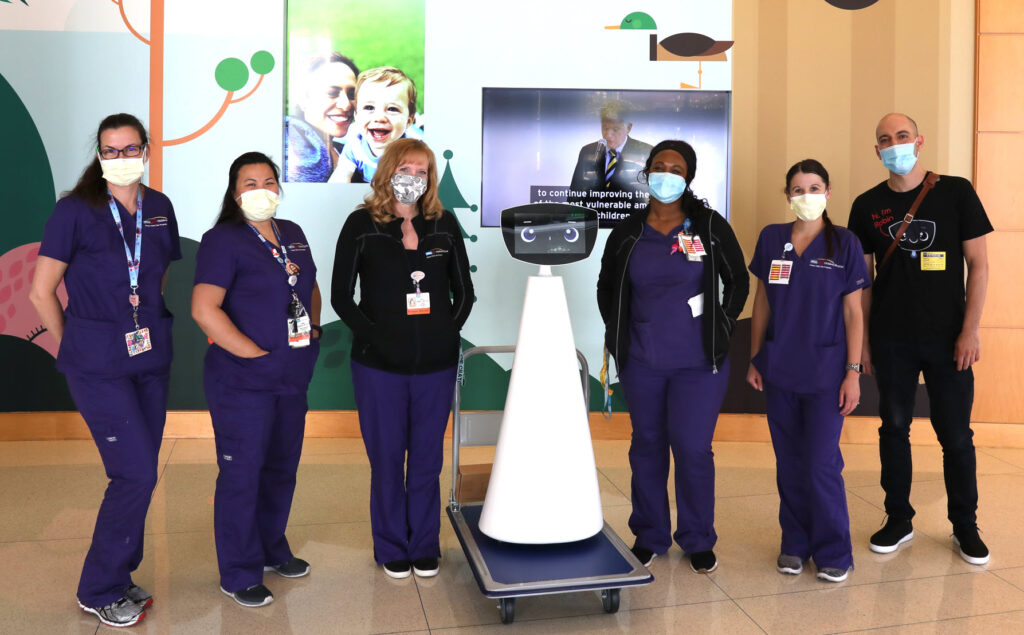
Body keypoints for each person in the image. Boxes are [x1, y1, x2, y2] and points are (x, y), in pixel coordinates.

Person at [29, 113, 181, 628]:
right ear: (99, 154)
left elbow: (154, 280)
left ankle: (121, 573)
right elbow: (41, 291)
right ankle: (99, 587)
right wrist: (76, 347)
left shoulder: (159, 209)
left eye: (130, 148)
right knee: (133, 472)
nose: (121, 158)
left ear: (146, 150)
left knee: (141, 473)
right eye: (110, 150)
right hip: (97, 363)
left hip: (149, 357)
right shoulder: (74, 210)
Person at [596, 139, 748, 573]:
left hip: (699, 363)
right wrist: (617, 330)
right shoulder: (627, 231)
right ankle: (649, 535)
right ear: (647, 173)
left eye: (676, 168)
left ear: (689, 177)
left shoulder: (710, 226)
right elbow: (607, 287)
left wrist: (723, 321)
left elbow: (738, 281)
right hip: (642, 359)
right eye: (658, 166)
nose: (666, 174)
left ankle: (698, 538)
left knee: (693, 449)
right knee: (646, 447)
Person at [848, 112, 993, 565]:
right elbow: (863, 281)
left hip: (950, 339)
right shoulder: (866, 204)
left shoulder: (955, 192)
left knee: (955, 435)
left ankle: (965, 525)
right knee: (893, 429)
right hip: (891, 340)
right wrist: (866, 343)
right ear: (877, 150)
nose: (895, 144)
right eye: (885, 139)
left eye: (902, 136)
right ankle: (898, 518)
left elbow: (980, 265)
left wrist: (970, 330)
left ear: (919, 141)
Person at [331, 138, 473, 579]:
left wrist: (443, 334)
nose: (414, 177)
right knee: (388, 459)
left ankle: (424, 545)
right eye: (406, 168)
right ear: (389, 170)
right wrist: (377, 337)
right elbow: (341, 297)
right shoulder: (361, 224)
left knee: (427, 460)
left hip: (435, 365)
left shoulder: (444, 224)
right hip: (378, 366)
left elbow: (464, 293)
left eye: (423, 171)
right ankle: (392, 545)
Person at [191, 152, 322, 607]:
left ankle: (271, 549)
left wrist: (313, 333)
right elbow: (203, 309)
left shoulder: (294, 235)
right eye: (250, 183)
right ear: (235, 192)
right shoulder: (221, 239)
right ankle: (239, 570)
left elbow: (309, 288)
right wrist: (254, 354)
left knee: (282, 466)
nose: (261, 190)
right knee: (242, 474)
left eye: (269, 180)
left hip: (292, 373)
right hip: (243, 379)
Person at [746, 159, 869, 583]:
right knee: (789, 462)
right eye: (798, 190)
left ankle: (834, 549)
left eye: (814, 188)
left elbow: (854, 313)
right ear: (788, 197)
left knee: (820, 463)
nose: (806, 196)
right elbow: (762, 300)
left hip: (826, 373)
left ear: (829, 193)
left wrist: (852, 372)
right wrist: (756, 356)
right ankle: (794, 544)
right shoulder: (772, 238)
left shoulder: (845, 244)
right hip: (779, 368)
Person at [329, 66, 419, 184]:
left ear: (408, 121)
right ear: (356, 115)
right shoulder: (355, 146)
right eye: (369, 107)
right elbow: (341, 176)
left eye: (392, 109)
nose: (379, 117)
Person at [568, 102, 652, 219]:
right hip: (594, 222)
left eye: (615, 129)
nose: (608, 135)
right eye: (605, 128)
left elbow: (650, 197)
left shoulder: (645, 151)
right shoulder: (588, 151)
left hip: (632, 222)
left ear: (629, 127)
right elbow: (575, 192)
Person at [284, 52, 360, 182]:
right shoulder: (291, 139)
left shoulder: (346, 149)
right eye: (332, 93)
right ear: (303, 99)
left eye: (352, 94)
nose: (346, 105)